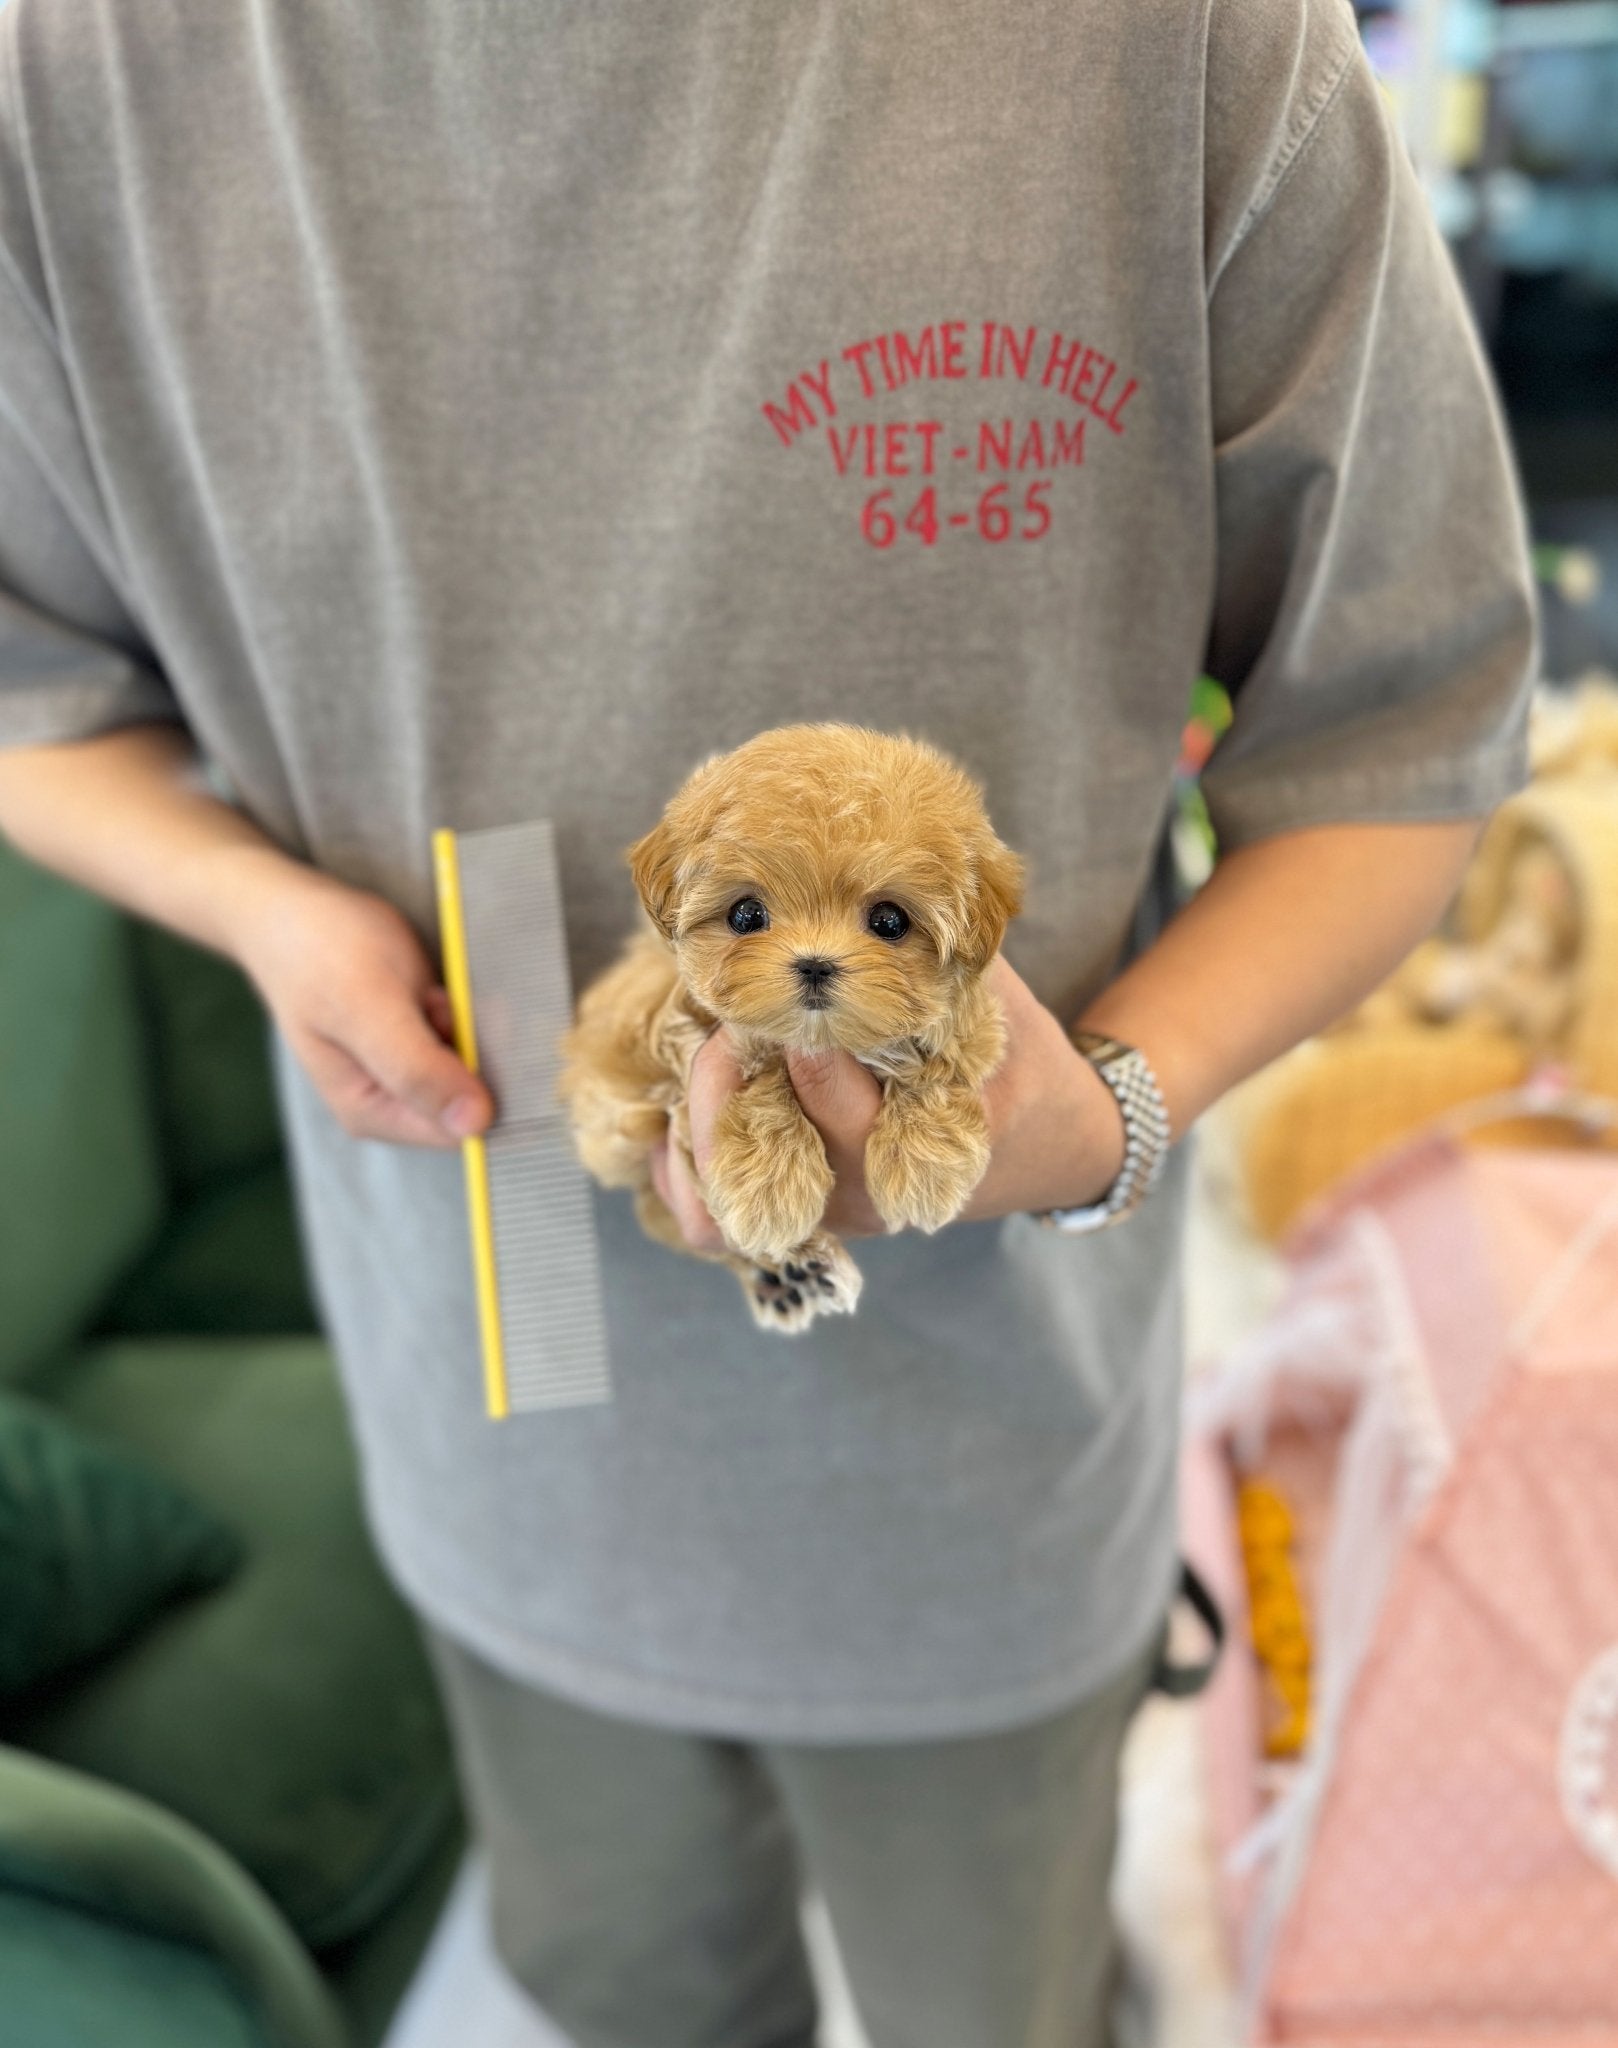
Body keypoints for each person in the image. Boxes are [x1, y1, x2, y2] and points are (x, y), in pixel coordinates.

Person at [0, 1, 1537, 2043]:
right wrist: (262, 912)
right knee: (633, 1986)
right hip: (492, 1386)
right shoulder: (76, 82)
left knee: (998, 2005)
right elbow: (37, 683)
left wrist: (1107, 1111)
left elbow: (1400, 733)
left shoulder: (1167, 52)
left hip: (988, 1458)